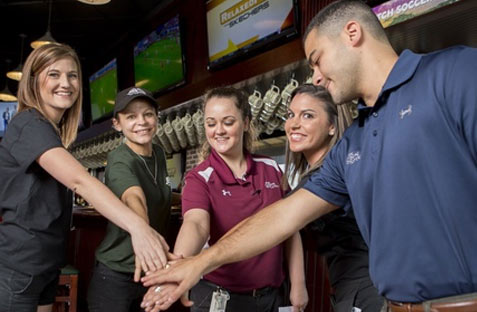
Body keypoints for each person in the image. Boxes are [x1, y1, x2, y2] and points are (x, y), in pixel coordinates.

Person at [139, 0, 477, 311]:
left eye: (317, 58)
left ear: (352, 34)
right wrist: (198, 263)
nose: (315, 75)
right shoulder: (352, 144)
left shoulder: (454, 73)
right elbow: (284, 216)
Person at [0, 43, 170, 312]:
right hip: (21, 265)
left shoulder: (49, 130)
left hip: (46, 263)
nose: (65, 83)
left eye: (72, 75)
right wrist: (140, 228)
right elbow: (80, 181)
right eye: (54, 74)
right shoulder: (29, 123)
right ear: (33, 80)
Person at [145, 87, 308, 312]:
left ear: (246, 122)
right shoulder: (199, 177)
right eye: (211, 123)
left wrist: (298, 285)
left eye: (228, 122)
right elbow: (196, 224)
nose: (218, 130)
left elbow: (290, 227)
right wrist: (178, 268)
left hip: (271, 298)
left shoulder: (271, 169)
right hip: (218, 298)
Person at [283, 84, 383, 312]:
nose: (294, 123)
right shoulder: (321, 174)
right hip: (349, 288)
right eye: (291, 114)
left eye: (307, 115)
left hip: (366, 290)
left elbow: (279, 222)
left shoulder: (330, 176)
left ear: (331, 126)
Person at [87, 86, 179, 312]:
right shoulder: (119, 160)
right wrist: (144, 235)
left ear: (156, 117)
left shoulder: (157, 152)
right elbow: (134, 198)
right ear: (117, 124)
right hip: (116, 275)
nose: (142, 122)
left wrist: (197, 200)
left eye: (148, 114)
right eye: (131, 117)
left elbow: (162, 192)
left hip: (151, 271)